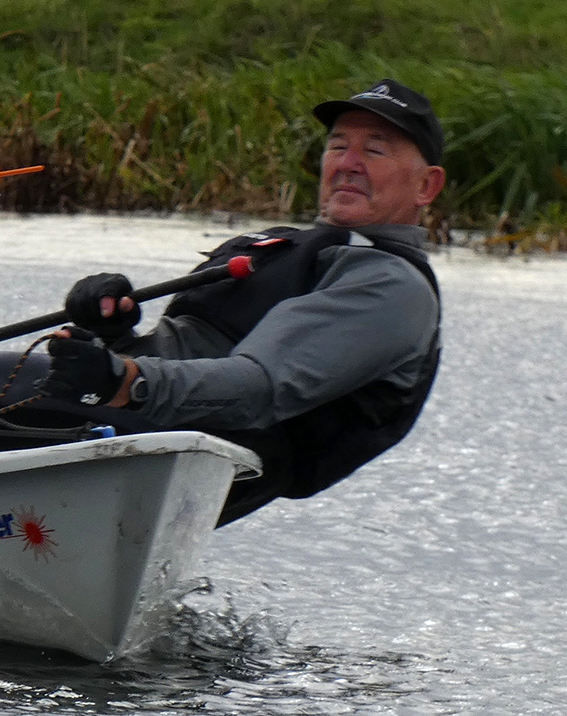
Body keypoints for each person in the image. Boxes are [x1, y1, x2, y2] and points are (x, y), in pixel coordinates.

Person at [30, 79, 446, 524]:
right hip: (137, 426)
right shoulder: (285, 249)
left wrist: (126, 381)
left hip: (181, 450)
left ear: (426, 186)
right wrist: (110, 334)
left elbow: (259, 387)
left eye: (374, 151)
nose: (347, 164)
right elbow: (184, 352)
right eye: (337, 146)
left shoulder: (391, 286)